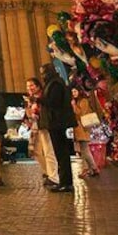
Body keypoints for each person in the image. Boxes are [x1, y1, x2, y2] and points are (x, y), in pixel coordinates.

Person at [40, 63, 76, 193]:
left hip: (57, 122)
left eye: (43, 72)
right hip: (56, 121)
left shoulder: (55, 84)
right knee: (60, 153)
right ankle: (64, 181)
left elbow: (54, 102)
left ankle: (66, 183)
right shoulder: (55, 83)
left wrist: (39, 100)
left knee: (62, 153)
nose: (42, 75)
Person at [25, 76, 59, 187]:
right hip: (35, 127)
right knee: (36, 151)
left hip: (44, 125)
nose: (30, 88)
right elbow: (29, 114)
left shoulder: (42, 97)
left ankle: (53, 176)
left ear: (38, 86)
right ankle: (48, 172)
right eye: (28, 86)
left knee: (48, 151)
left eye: (32, 85)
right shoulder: (31, 98)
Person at [71, 87, 100, 178]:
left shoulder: (83, 101)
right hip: (79, 129)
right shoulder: (78, 101)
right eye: (72, 92)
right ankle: (92, 168)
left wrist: (74, 106)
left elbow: (80, 113)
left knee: (85, 150)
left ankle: (89, 169)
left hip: (83, 128)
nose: (74, 93)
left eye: (75, 91)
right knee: (83, 150)